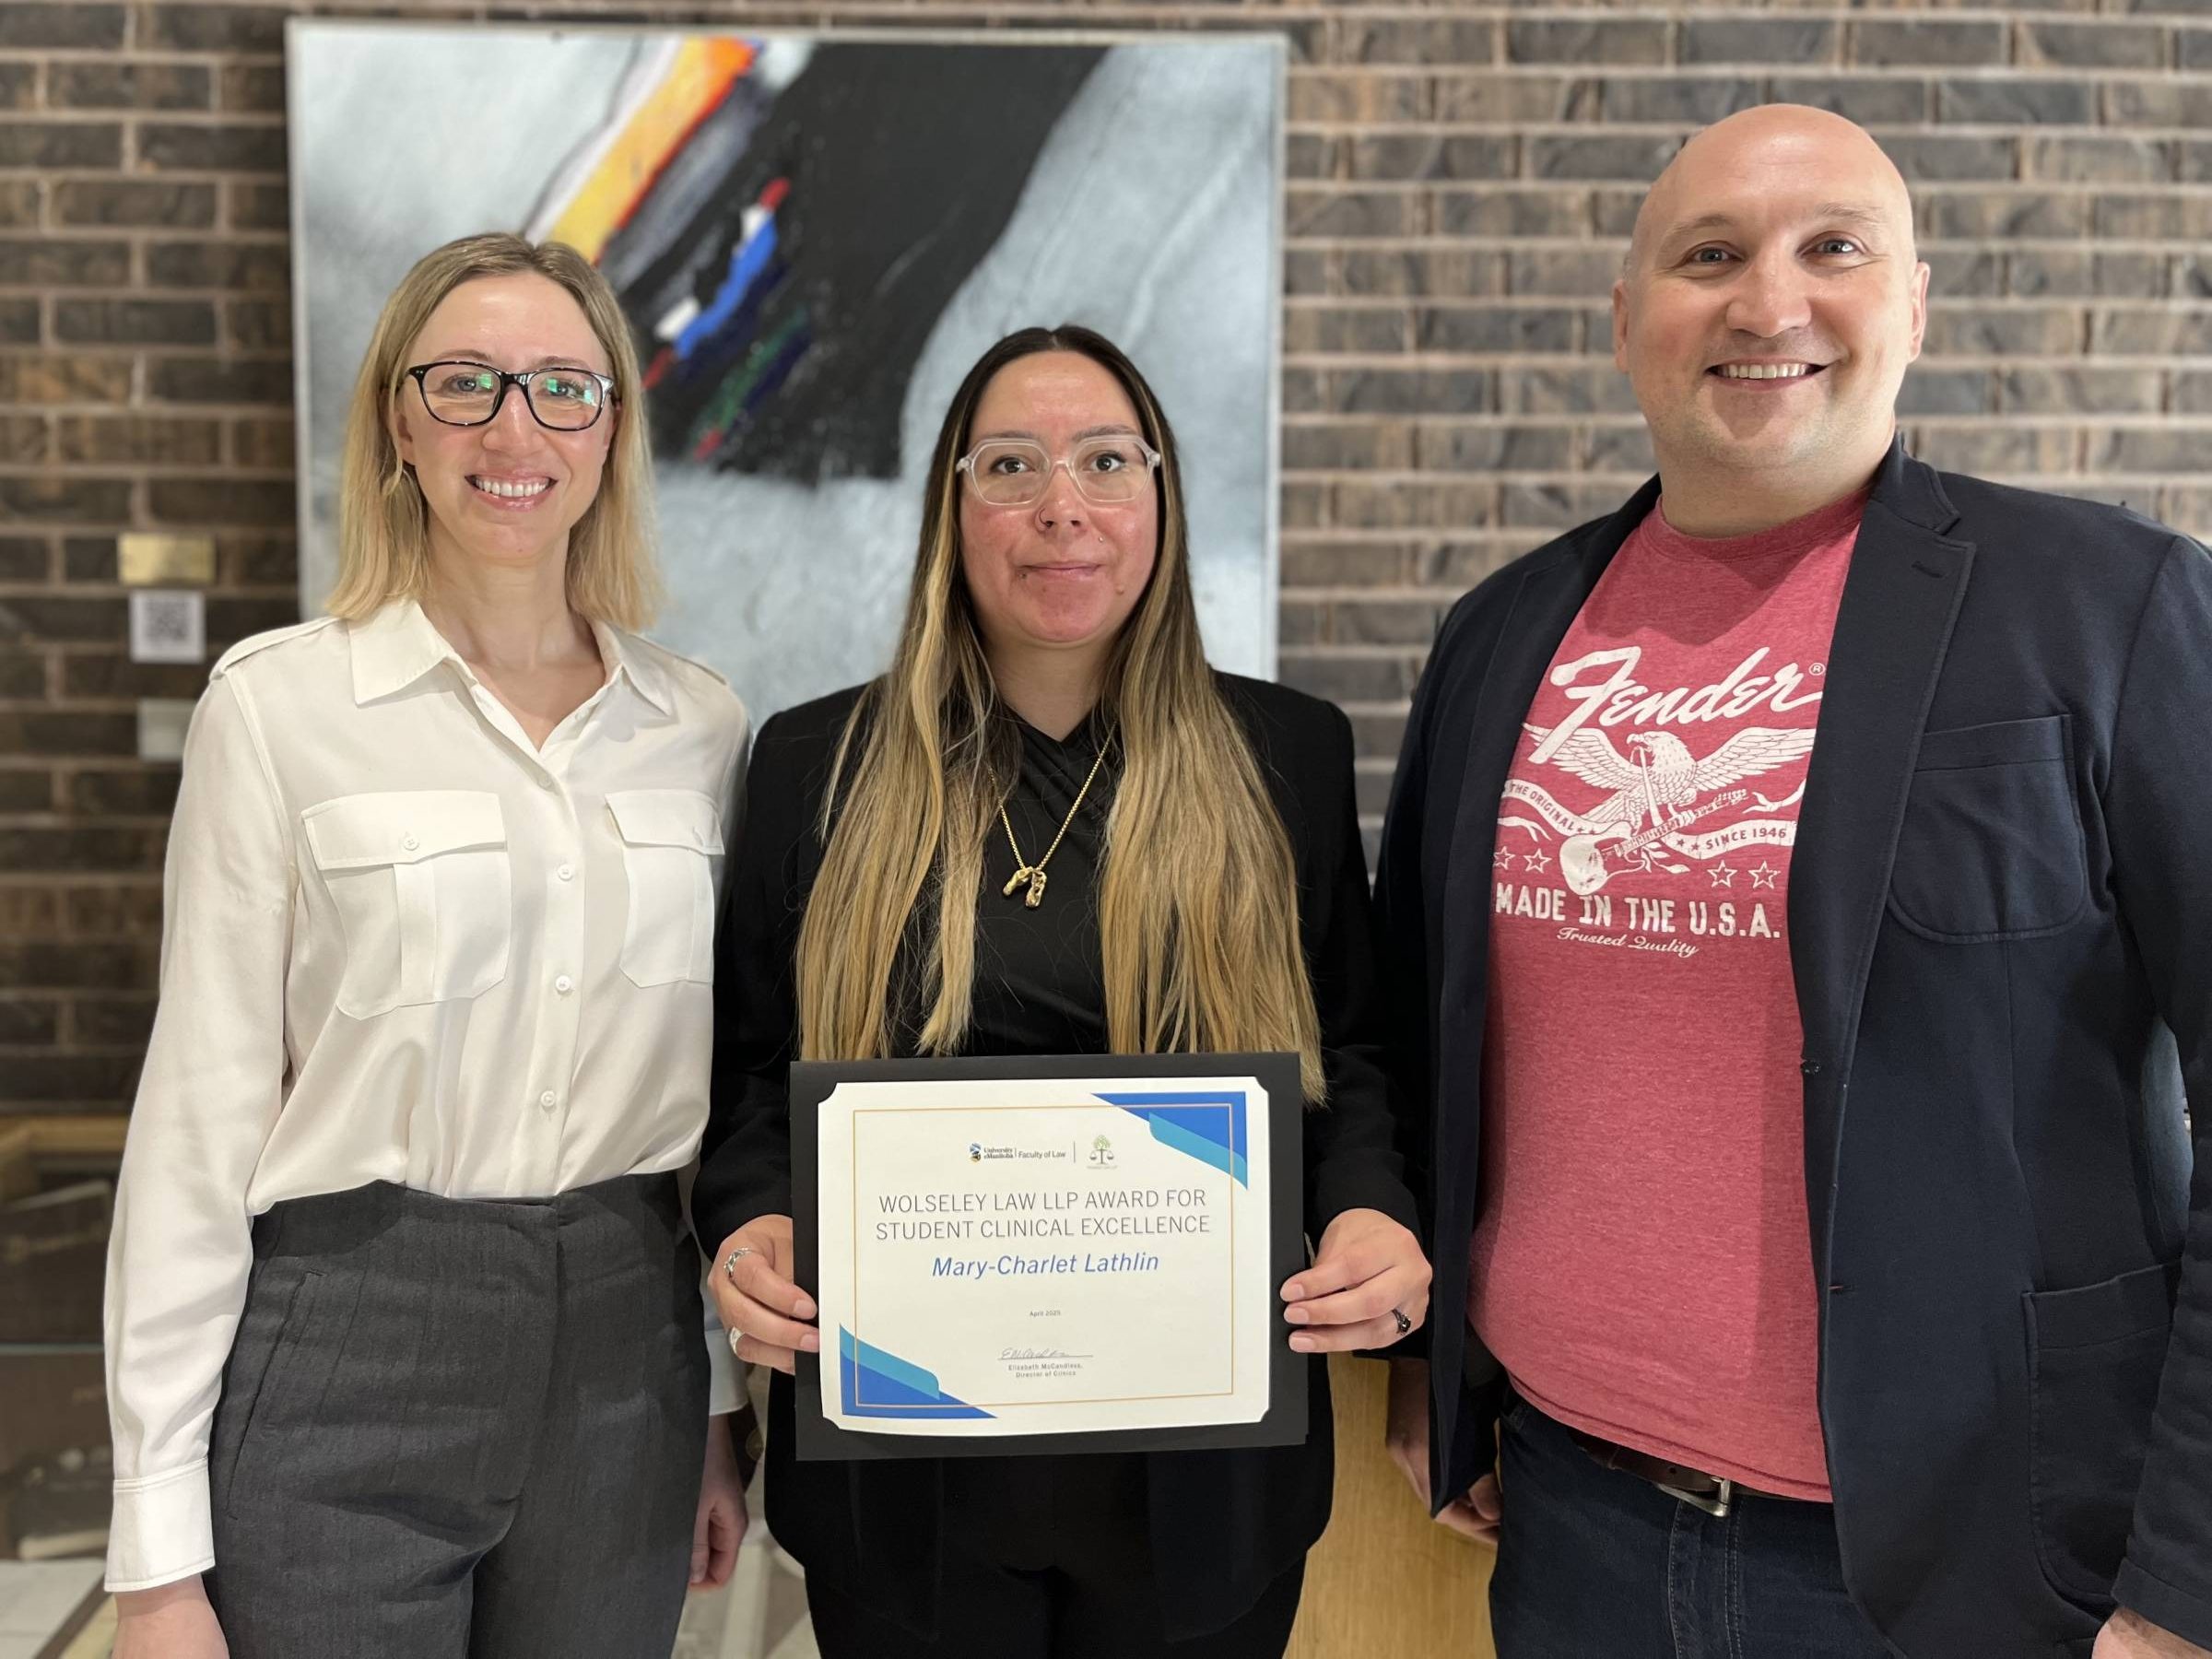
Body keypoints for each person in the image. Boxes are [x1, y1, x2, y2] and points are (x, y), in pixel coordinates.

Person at [1376, 103, 2212, 1659]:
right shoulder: (1501, 634)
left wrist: (2191, 1576)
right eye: (1710, 256)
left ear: (1913, 301)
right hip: (1569, 1525)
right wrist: (1446, 1380)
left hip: (1976, 1560)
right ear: (1628, 322)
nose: (1769, 304)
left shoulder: (2112, 610)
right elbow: (1427, 1035)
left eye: (1833, 247)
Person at [692, 324, 1431, 1658]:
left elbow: (1356, 1051)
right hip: (900, 1470)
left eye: (1105, 460)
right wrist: (749, 1227)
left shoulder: (1284, 756)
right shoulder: (815, 766)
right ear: (951, 509)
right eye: (1011, 467)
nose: (1062, 508)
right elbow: (750, 1070)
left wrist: (1372, 1209)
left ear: (1160, 497)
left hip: (1206, 1474)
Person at [103, 232, 751, 1659]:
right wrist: (153, 1563)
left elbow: (705, 1125)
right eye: (465, 383)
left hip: (625, 1365)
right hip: (347, 1340)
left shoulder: (700, 731)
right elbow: (200, 1123)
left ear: (612, 429)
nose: (514, 429)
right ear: (399, 419)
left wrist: (710, 1404)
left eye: (562, 389)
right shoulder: (277, 710)